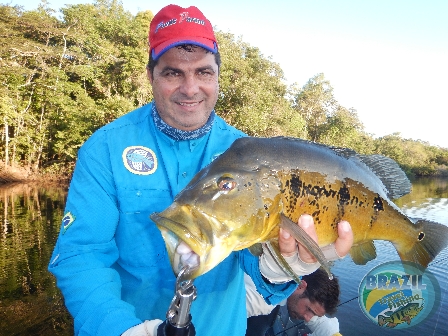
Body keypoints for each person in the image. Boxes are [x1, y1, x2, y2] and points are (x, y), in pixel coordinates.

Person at [48, 4, 353, 336]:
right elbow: (82, 255)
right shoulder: (105, 148)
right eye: (173, 72)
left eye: (203, 72)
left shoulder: (250, 156)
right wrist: (120, 329)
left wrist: (276, 270)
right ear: (151, 75)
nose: (190, 88)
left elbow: (257, 259)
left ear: (217, 75)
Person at [246, 268, 342, 336]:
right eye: (308, 309)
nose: (308, 318)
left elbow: (317, 315)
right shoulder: (261, 302)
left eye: (315, 315)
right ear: (300, 286)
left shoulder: (283, 281)